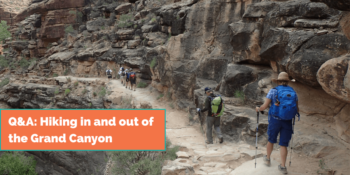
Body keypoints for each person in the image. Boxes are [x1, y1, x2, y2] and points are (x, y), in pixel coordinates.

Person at [255, 72, 299, 175]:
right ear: (287, 81)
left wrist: (258, 108)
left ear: (278, 81)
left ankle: (267, 159)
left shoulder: (273, 91)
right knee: (283, 144)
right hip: (287, 121)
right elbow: (297, 109)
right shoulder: (293, 92)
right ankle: (283, 167)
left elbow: (264, 107)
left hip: (275, 120)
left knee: (271, 140)